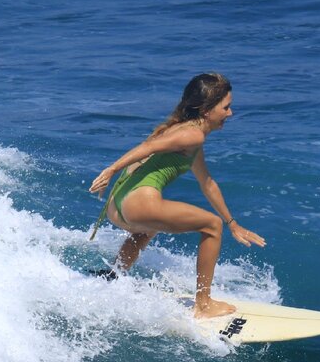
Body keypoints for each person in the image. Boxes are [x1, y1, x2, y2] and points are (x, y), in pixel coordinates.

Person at [88, 72, 265, 319]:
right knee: (212, 226)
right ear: (206, 109)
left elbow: (208, 183)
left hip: (119, 205)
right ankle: (203, 305)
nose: (230, 113)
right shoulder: (192, 135)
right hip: (138, 201)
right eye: (226, 107)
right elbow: (147, 148)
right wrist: (111, 169)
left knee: (148, 228)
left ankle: (113, 276)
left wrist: (233, 224)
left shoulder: (187, 134)